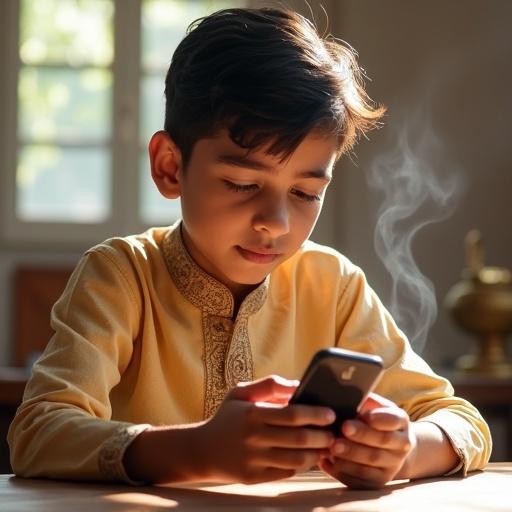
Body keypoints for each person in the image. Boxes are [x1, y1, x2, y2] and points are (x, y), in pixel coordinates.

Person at [8, 7, 491, 489]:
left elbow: (460, 421)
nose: (275, 224)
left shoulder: (333, 285)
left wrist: (405, 450)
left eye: (306, 193)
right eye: (242, 183)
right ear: (170, 167)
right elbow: (37, 433)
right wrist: (196, 450)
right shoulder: (121, 275)